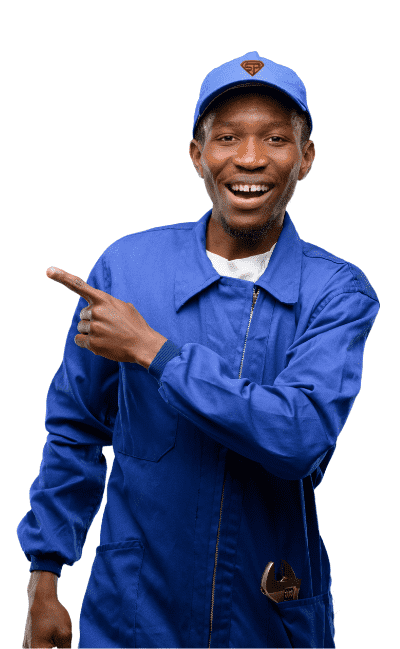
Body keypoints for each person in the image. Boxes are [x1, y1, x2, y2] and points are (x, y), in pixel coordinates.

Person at [18, 51, 380, 648]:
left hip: (269, 615)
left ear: (306, 158)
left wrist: (154, 352)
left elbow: (298, 436)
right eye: (227, 137)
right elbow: (75, 429)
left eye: (275, 139)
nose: (250, 158)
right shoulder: (128, 270)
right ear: (197, 154)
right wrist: (44, 574)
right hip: (135, 610)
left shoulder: (337, 292)